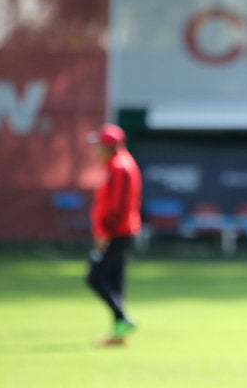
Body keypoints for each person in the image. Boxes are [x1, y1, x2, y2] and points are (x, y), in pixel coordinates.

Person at [86, 123, 142, 346]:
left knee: (95, 278)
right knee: (114, 282)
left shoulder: (120, 167)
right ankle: (119, 333)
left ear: (109, 146)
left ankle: (122, 318)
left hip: (118, 233)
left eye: (99, 145)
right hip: (118, 232)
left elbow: (117, 207)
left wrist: (104, 234)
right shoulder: (113, 165)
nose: (95, 150)